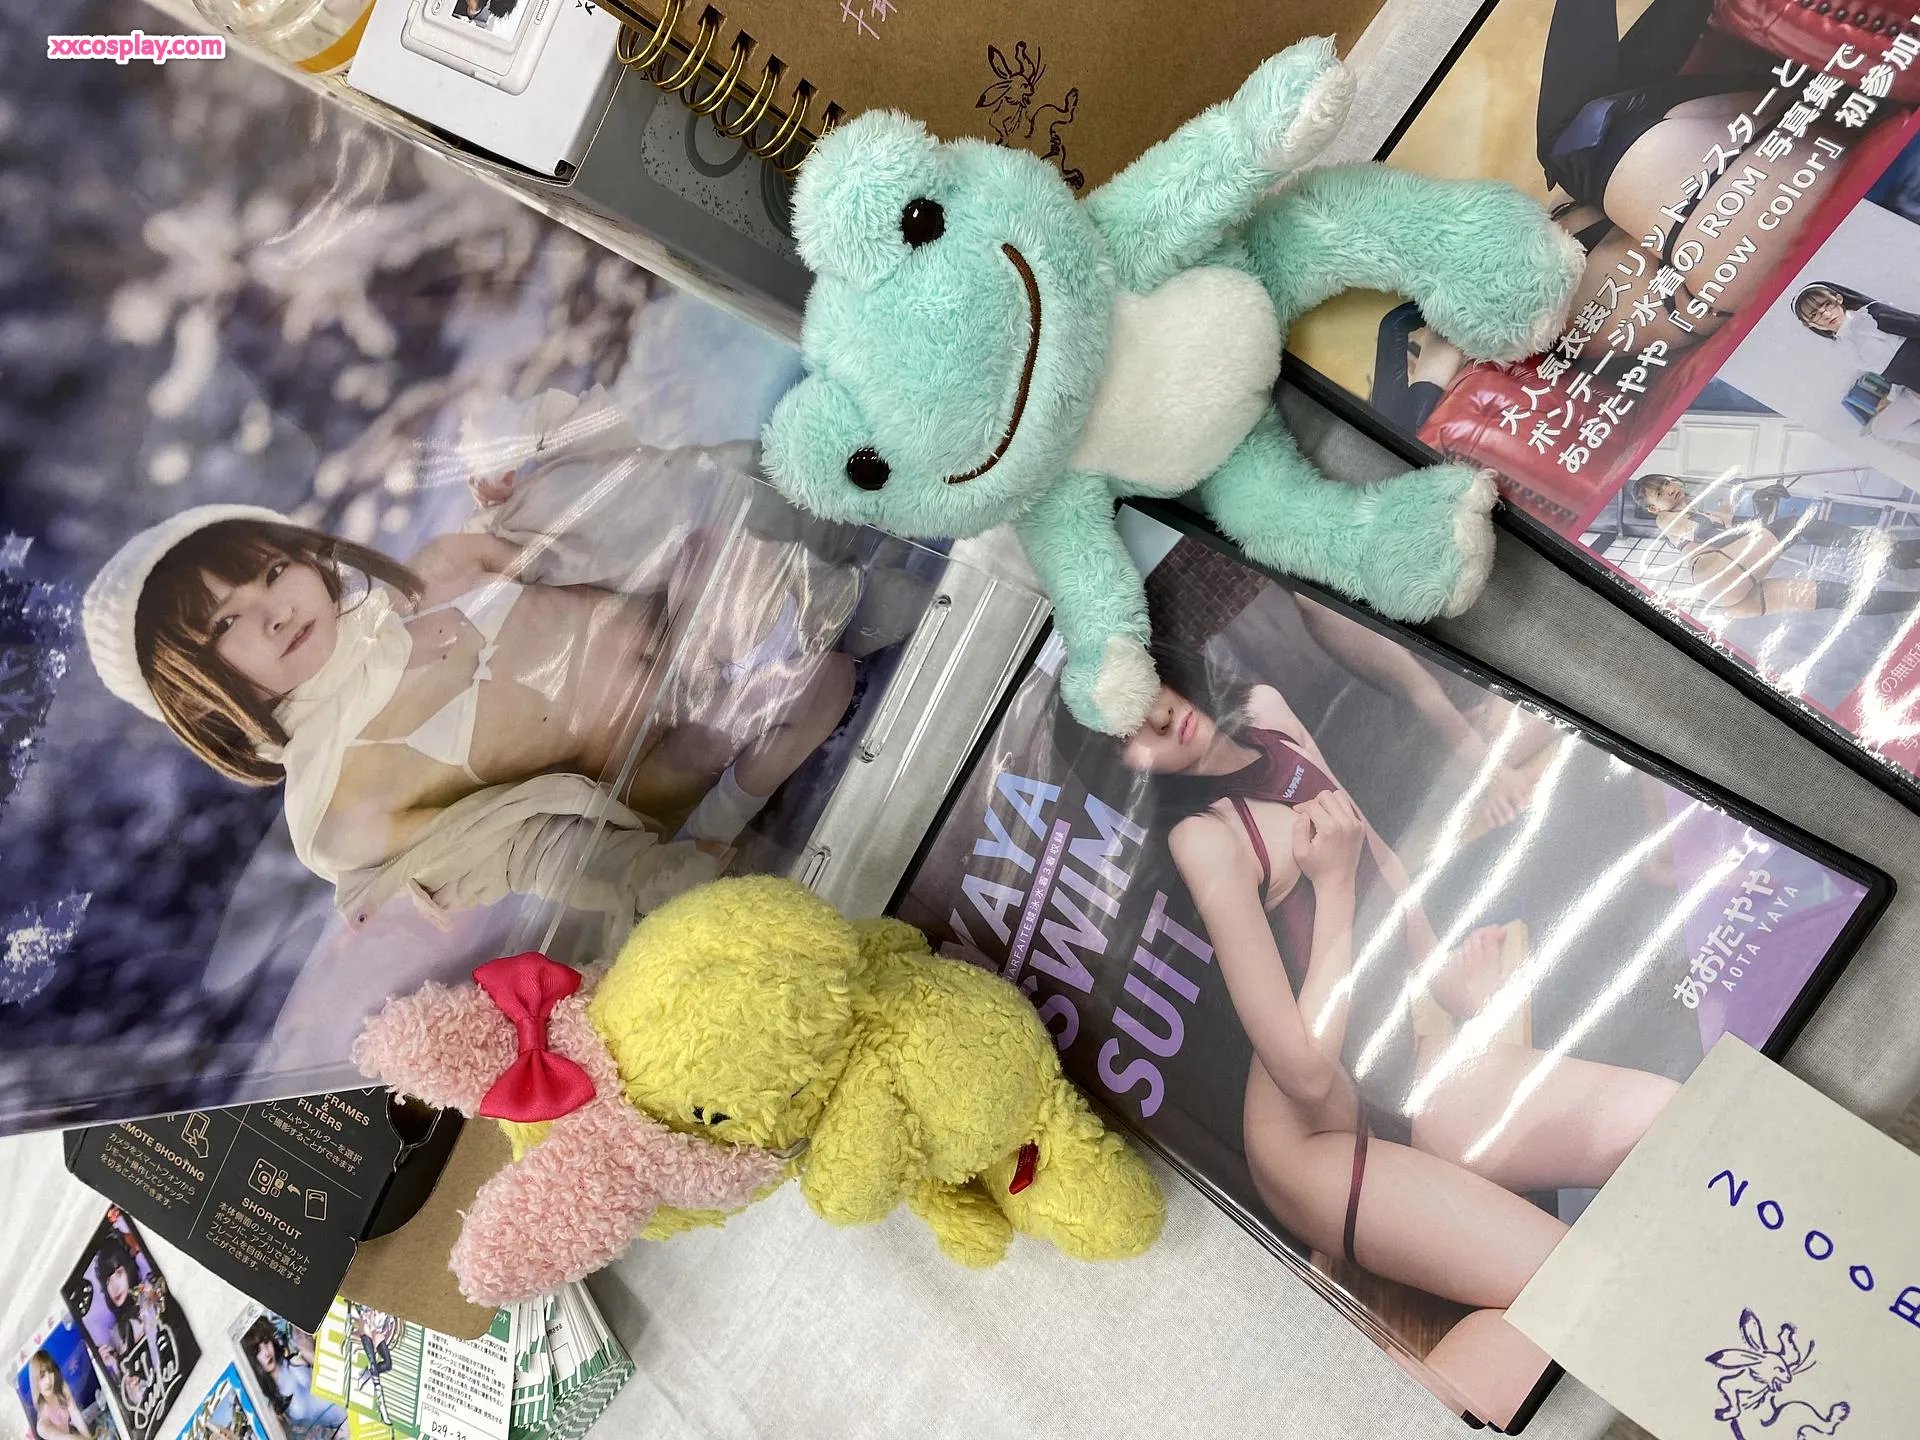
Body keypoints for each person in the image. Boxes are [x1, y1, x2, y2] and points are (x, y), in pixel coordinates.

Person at [1067, 644, 1682, 1427]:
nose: (1155, 716)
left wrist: (1443, 980)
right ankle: (1396, 1404)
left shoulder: (1267, 712)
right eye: (1124, 735)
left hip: (1410, 1069)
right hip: (1322, 1144)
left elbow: (1377, 856)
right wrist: (1330, 886)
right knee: (1578, 1290)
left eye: (1141, 690)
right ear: (1119, 769)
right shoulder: (1205, 838)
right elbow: (1302, 1070)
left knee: (1671, 1121)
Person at [82, 438, 857, 936]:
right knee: (815, 685)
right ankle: (742, 788)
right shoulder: (340, 806)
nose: (274, 611)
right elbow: (517, 848)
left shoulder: (431, 577)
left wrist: (540, 472)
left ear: (305, 556)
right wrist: (644, 873)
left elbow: (606, 530)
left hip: (692, 625)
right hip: (668, 755)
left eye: (273, 570)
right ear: (195, 697)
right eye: (226, 622)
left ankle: (843, 596)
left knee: (715, 549)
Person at [1631, 473, 1920, 620]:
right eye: (1659, 492)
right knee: (1794, 525)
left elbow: (1753, 532)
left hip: (1728, 590)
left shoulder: (1705, 514)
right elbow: (1718, 536)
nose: (1669, 489)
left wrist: (1759, 504)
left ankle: (1915, 601)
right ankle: (1899, 554)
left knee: (1831, 594)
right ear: (1654, 509)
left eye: (1666, 483)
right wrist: (1739, 517)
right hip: (1719, 574)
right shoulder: (1666, 520)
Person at [1794, 282, 1920, 444]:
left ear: (1838, 298)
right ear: (1808, 324)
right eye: (1814, 315)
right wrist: (1891, 396)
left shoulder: (1870, 317)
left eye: (1827, 304)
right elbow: (1893, 370)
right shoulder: (1843, 345)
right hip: (1914, 389)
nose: (1825, 314)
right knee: (1883, 428)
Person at [241, 1318, 344, 1440]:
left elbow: (336, 1377)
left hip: (352, 1409)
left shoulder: (297, 1360)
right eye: (258, 1350)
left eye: (266, 1341)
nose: (266, 1352)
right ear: (251, 1359)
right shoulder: (273, 1405)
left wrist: (308, 1352)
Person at [24, 1353, 92, 1440]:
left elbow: (75, 1413)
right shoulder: (42, 1425)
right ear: (35, 1381)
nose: (48, 1380)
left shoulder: (62, 1388)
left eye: (50, 1372)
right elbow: (68, 1438)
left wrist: (89, 1438)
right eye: (42, 1376)